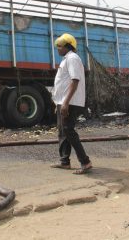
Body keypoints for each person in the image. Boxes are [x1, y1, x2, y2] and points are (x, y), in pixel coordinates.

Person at [50, 33, 92, 174]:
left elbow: (75, 81)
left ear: (68, 46)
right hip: (64, 101)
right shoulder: (65, 59)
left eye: (60, 46)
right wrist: (59, 102)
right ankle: (64, 161)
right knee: (63, 131)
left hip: (71, 101)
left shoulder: (73, 58)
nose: (58, 49)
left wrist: (66, 103)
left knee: (68, 130)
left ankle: (85, 162)